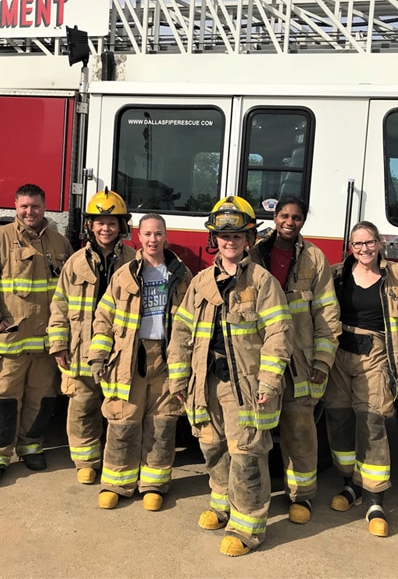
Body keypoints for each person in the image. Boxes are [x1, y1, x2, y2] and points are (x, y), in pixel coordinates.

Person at [168, 196, 293, 557]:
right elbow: (181, 331)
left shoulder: (262, 281)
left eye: (237, 235)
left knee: (247, 454)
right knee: (211, 446)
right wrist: (179, 379)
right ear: (214, 240)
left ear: (248, 239)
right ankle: (221, 503)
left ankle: (248, 526)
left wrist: (269, 381)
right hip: (206, 382)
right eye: (223, 236)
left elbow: (278, 333)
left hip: (246, 385)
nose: (229, 242)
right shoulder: (201, 282)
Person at [0, 183, 73, 487]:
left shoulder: (60, 244)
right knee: (2, 401)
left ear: (45, 206)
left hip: (46, 344)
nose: (29, 212)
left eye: (35, 206)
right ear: (15, 207)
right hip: (8, 342)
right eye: (24, 206)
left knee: (41, 400)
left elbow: (71, 293)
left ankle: (30, 447)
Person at [87, 213, 192, 511]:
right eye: (147, 234)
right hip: (129, 358)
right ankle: (117, 483)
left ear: (165, 237)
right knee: (124, 420)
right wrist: (98, 355)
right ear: (138, 237)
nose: (152, 239)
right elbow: (104, 317)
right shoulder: (125, 274)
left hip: (166, 357)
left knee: (162, 424)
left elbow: (193, 323)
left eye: (158, 234)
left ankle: (154, 484)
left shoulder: (182, 276)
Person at [249, 196, 340, 524]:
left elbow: (327, 313)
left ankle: (301, 497)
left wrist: (322, 361)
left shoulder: (314, 258)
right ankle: (252, 494)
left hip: (300, 361)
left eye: (297, 217)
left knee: (300, 430)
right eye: (284, 215)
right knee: (255, 431)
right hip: (259, 359)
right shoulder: (254, 253)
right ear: (275, 217)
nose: (289, 222)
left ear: (303, 221)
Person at [324, 221, 398, 537]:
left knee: (372, 422)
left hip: (376, 354)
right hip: (339, 353)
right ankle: (350, 485)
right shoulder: (335, 274)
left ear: (379, 243)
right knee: (337, 419)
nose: (363, 249)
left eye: (369, 242)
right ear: (350, 247)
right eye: (357, 244)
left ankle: (375, 499)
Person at [48, 189, 136, 485]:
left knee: (117, 408)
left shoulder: (134, 261)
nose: (105, 228)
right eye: (99, 222)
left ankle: (114, 462)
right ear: (90, 226)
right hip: (81, 347)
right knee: (83, 405)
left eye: (111, 222)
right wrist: (59, 343)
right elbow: (60, 305)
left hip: (120, 348)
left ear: (122, 226)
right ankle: (86, 460)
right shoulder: (75, 263)